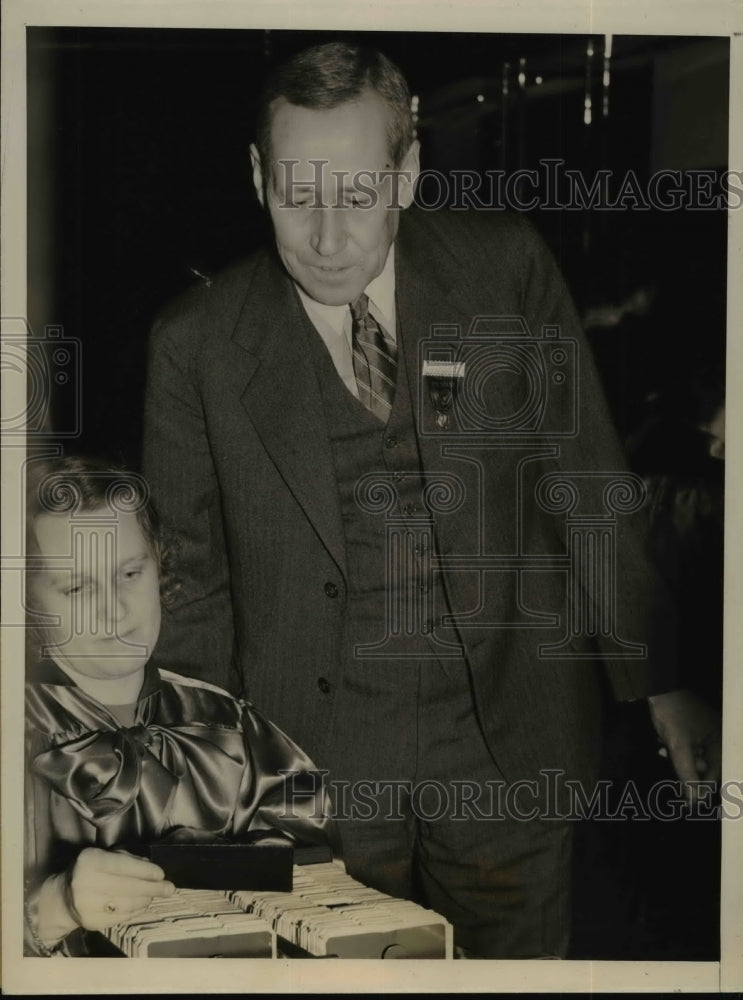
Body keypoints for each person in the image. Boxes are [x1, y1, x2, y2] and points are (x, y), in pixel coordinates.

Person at [142, 41, 721, 958]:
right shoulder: (193, 346)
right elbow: (192, 590)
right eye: (298, 195)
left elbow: (587, 480)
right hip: (311, 768)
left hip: (504, 743)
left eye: (360, 195)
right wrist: (213, 779)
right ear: (257, 176)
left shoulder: (505, 270)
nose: (329, 238)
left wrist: (664, 679)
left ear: (407, 171)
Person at [23, 456, 332, 957]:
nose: (114, 609)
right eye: (77, 586)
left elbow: (317, 879)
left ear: (159, 567)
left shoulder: (233, 725)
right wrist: (56, 905)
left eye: (128, 572)